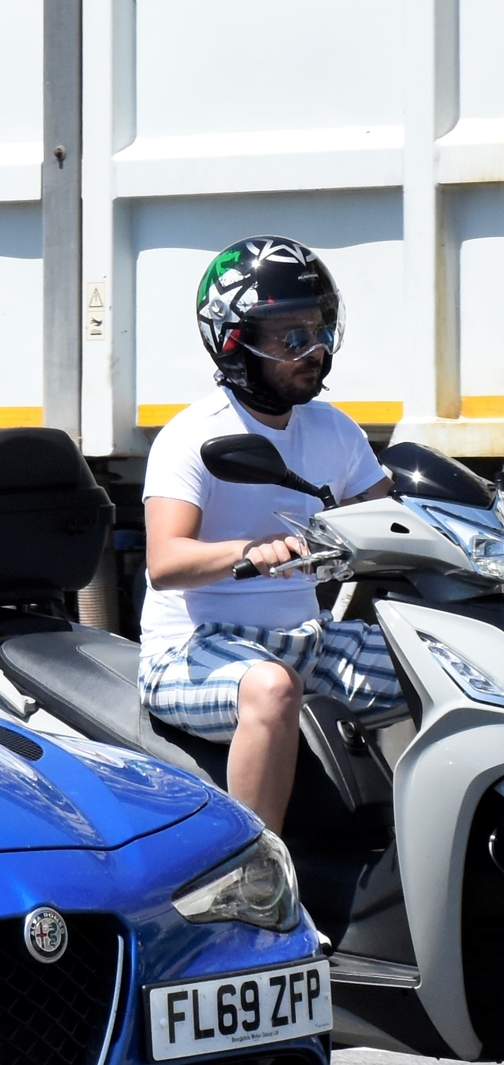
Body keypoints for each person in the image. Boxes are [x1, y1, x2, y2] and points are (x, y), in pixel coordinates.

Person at [139, 236, 398, 830]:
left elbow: (386, 517)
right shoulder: (192, 435)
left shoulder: (333, 429)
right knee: (273, 689)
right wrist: (251, 551)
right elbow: (165, 561)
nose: (315, 350)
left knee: (460, 666)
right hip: (195, 647)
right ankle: (260, 882)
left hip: (308, 638)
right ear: (233, 341)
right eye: (292, 336)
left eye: (320, 329)